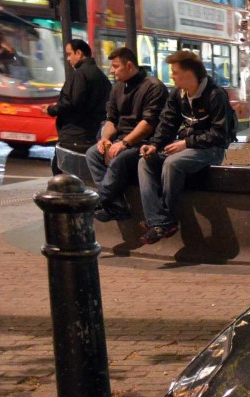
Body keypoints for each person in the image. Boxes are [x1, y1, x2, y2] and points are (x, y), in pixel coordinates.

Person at [137, 50, 236, 244]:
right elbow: (167, 123)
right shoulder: (178, 94)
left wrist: (186, 143)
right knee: (145, 162)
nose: (171, 76)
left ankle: (167, 221)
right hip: (186, 147)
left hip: (211, 150)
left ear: (189, 74)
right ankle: (158, 220)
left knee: (173, 163)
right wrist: (154, 145)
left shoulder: (215, 95)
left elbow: (219, 134)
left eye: (175, 72)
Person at [88, 47, 168, 222]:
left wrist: (124, 143)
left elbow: (147, 124)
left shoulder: (153, 87)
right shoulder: (117, 88)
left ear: (130, 65)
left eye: (116, 66)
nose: (111, 70)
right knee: (93, 154)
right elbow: (111, 120)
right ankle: (116, 205)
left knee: (119, 159)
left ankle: (101, 200)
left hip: (144, 142)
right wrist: (105, 139)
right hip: (121, 140)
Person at [46, 40, 110, 175]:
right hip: (91, 132)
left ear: (79, 53)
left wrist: (51, 110)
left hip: (73, 132)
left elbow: (71, 102)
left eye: (70, 54)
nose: (68, 58)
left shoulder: (79, 74)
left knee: (60, 170)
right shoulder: (101, 76)